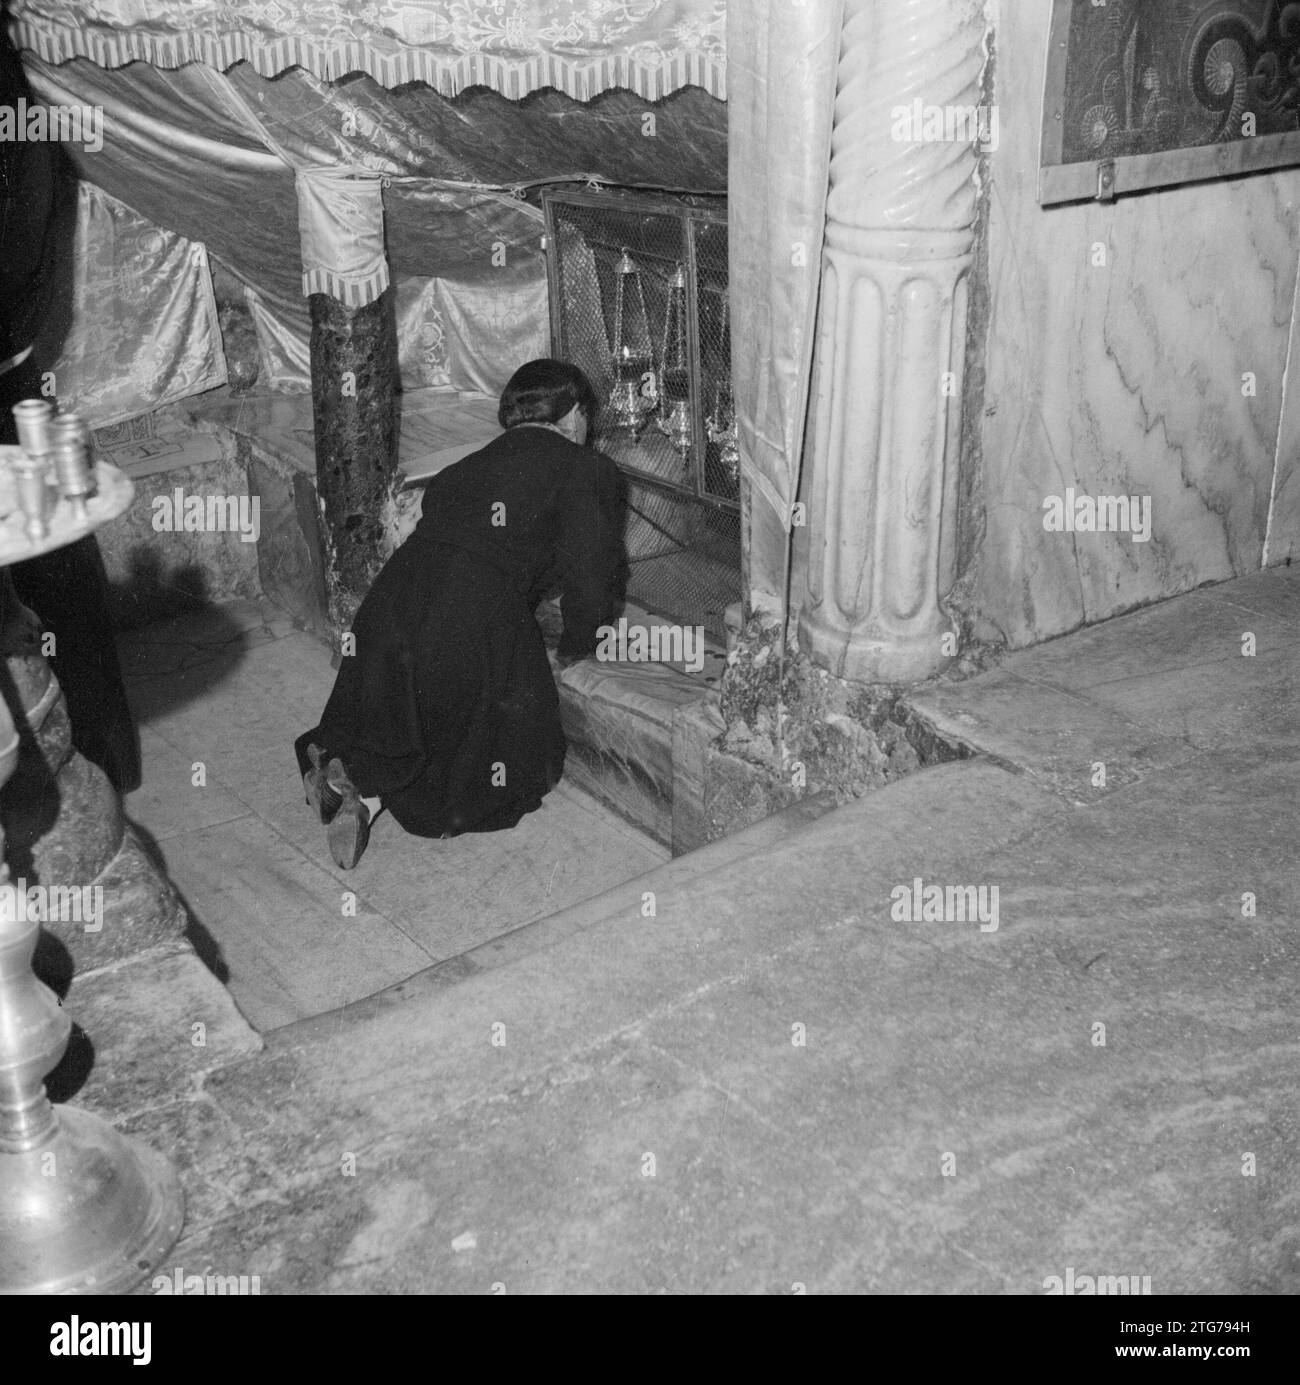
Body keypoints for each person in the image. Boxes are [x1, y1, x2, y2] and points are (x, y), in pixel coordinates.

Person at [295, 359, 628, 868]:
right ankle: (365, 792)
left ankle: (355, 783)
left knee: (404, 713)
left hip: (390, 602)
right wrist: (581, 646)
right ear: (575, 414)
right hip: (473, 609)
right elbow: (591, 576)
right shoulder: (588, 470)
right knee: (513, 761)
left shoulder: (461, 469)